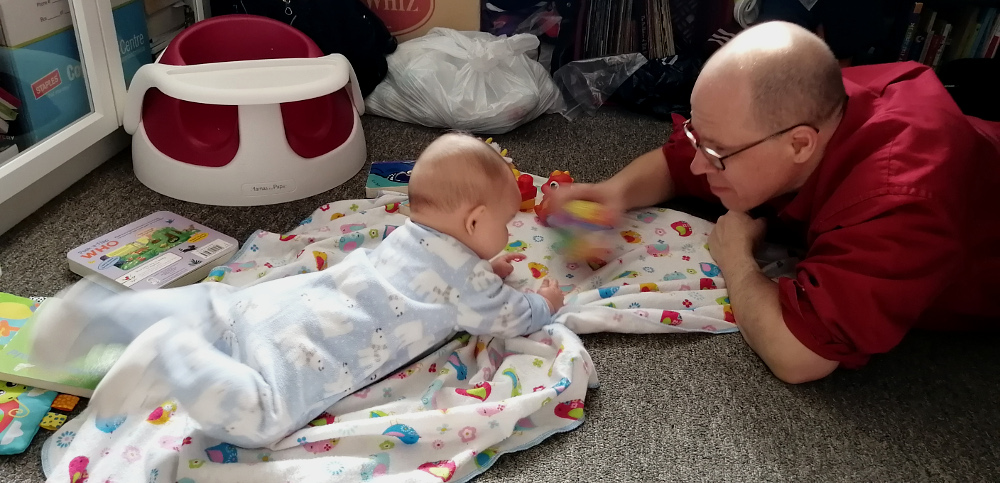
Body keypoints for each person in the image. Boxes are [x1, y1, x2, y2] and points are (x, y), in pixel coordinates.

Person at [29, 133, 565, 447]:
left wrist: (484, 273)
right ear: (473, 223)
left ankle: (101, 313)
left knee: (206, 306)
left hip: (266, 304)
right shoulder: (467, 279)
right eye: (504, 224)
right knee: (259, 419)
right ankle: (172, 356)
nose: (507, 236)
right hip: (302, 352)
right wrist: (543, 302)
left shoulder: (409, 236)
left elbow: (442, 285)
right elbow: (507, 317)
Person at [549, 21, 1000, 384]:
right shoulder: (796, 113)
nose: (701, 165)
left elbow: (799, 357)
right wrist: (616, 192)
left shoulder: (899, 198)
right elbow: (678, 161)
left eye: (717, 154)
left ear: (800, 145)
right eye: (698, 136)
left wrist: (737, 259)